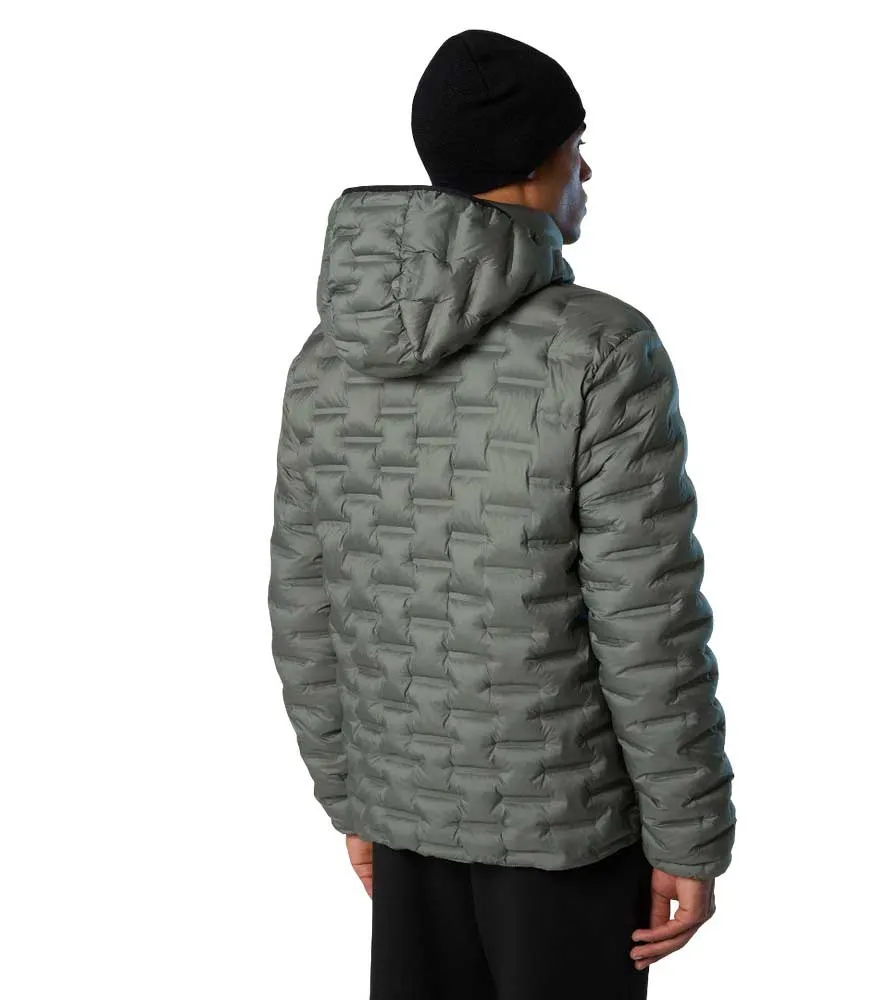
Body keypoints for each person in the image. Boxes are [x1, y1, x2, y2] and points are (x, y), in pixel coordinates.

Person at [268, 27, 736, 1000]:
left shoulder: (326, 360)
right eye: (575, 145)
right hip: (568, 837)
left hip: (404, 820)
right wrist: (689, 834)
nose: (586, 170)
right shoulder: (603, 351)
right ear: (533, 165)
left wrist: (352, 798)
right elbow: (645, 621)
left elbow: (305, 605)